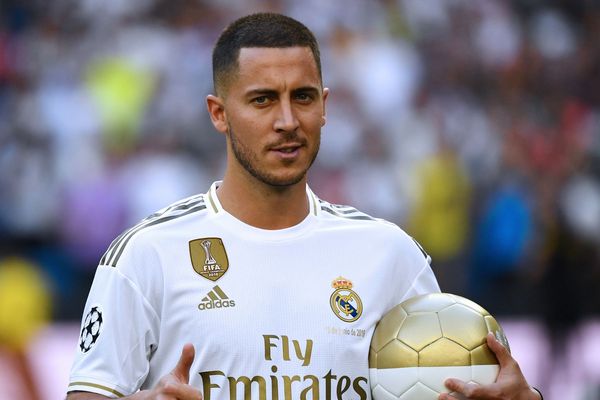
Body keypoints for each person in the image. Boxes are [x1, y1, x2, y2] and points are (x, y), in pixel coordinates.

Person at [67, 12, 542, 400]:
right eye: (263, 100)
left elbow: (448, 386)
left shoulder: (389, 253)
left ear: (325, 105)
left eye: (303, 97)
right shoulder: (148, 254)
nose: (288, 120)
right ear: (219, 113)